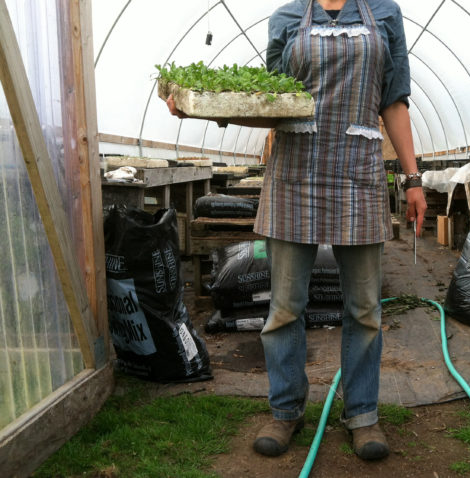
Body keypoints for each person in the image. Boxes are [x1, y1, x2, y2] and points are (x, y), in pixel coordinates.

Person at [168, 0, 426, 461]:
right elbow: (269, 104)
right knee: (285, 308)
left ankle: (362, 414)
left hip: (359, 175)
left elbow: (393, 99)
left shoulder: (384, 14)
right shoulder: (286, 20)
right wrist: (201, 108)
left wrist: (413, 178)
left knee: (365, 309)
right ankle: (286, 410)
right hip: (294, 176)